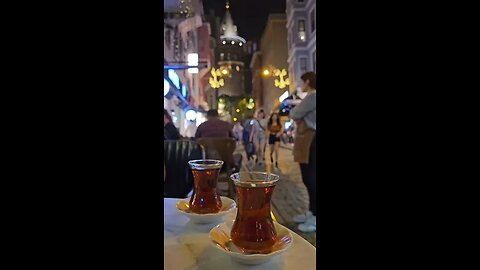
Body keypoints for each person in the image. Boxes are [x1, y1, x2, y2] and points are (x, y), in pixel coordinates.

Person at [289, 72, 317, 233]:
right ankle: (311, 211)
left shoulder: (312, 96)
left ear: (307, 81)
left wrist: (299, 114)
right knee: (310, 177)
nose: (301, 85)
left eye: (302, 82)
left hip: (310, 140)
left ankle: (314, 216)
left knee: (310, 177)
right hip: (310, 140)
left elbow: (294, 114)